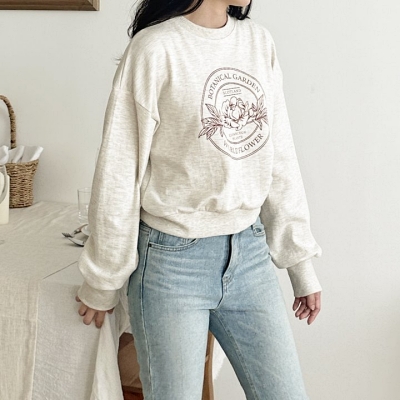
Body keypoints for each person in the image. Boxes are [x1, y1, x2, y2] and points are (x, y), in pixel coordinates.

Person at [75, 0, 323, 398]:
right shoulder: (154, 49)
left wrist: (300, 263)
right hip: (171, 264)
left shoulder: (258, 42)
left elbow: (279, 159)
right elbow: (118, 171)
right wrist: (103, 281)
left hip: (250, 257)